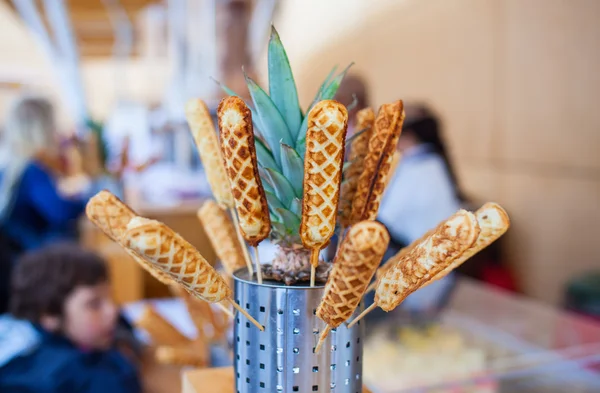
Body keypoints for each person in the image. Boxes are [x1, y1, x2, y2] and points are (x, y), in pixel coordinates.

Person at [0, 244, 141, 393]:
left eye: (111, 297)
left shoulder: (20, 336)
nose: (112, 310)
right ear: (50, 315)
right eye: (94, 304)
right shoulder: (82, 374)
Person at [375, 105, 465, 312]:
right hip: (435, 267)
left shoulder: (417, 169)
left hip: (418, 268)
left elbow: (384, 219)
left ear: (408, 136)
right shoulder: (433, 164)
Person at [0, 96, 89, 254]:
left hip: (15, 256)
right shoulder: (31, 168)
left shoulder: (10, 164)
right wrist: (87, 198)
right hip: (34, 258)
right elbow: (61, 212)